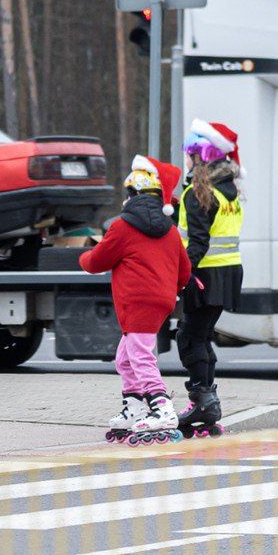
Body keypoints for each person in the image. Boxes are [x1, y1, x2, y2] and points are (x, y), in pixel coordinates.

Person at [79, 155, 192, 442]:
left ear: (131, 195)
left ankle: (162, 406)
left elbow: (97, 262)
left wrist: (82, 256)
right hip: (161, 300)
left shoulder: (122, 227)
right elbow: (185, 271)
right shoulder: (169, 230)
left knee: (140, 355)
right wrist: (172, 287)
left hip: (137, 300)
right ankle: (134, 408)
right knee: (125, 357)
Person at [175, 119, 244, 437]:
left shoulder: (199, 193)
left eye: (189, 155)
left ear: (199, 156)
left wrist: (180, 276)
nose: (186, 161)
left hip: (204, 275)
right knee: (199, 335)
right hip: (228, 273)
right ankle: (207, 398)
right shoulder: (228, 190)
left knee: (189, 337)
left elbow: (199, 241)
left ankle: (203, 399)